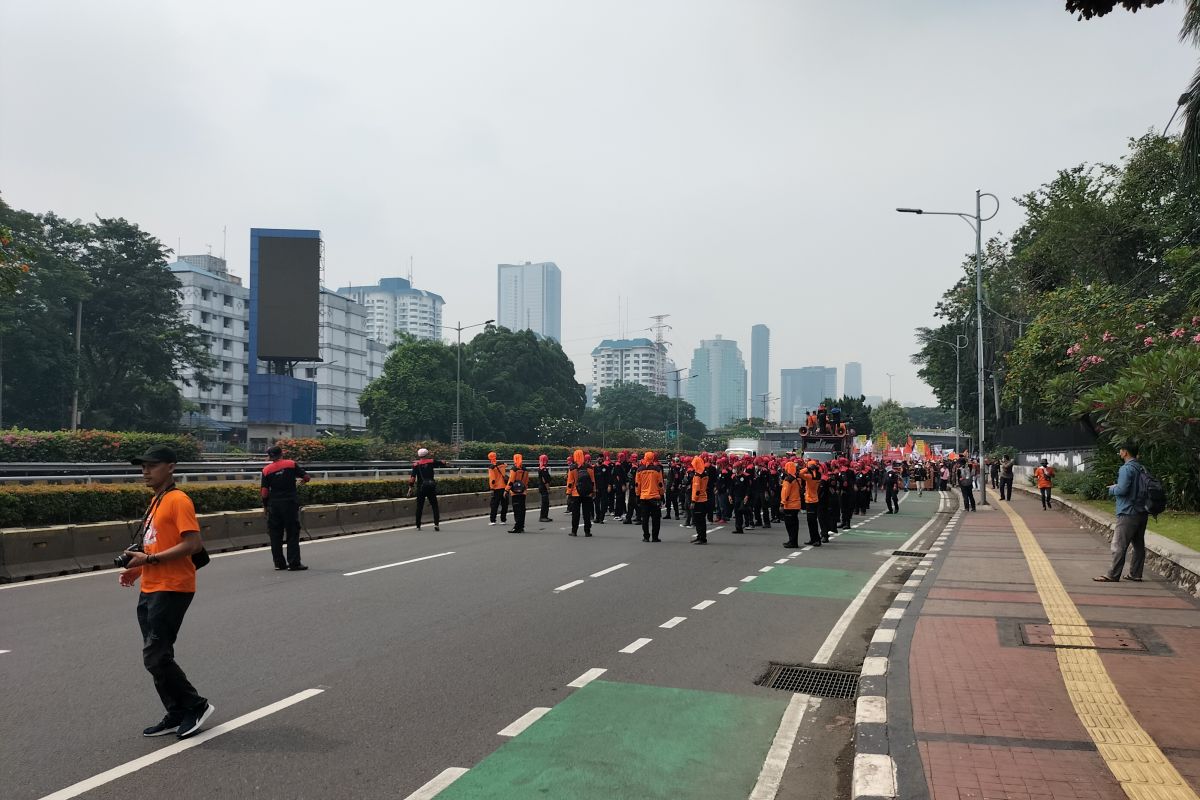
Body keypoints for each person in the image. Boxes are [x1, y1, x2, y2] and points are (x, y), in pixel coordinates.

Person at [120, 445, 215, 740]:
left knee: (155, 656)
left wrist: (148, 560)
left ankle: (196, 706)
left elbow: (193, 544)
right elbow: (156, 545)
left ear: (171, 467)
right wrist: (138, 568)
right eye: (143, 466)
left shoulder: (178, 500)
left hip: (173, 588)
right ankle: (176, 712)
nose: (145, 471)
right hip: (151, 587)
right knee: (157, 655)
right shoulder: (156, 500)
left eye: (152, 465)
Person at [1095, 441, 1149, 583]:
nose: (1119, 452)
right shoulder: (1141, 468)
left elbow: (1123, 490)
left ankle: (1113, 574)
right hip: (1142, 511)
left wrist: (1112, 488)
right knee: (1138, 545)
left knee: (1119, 544)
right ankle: (1135, 574)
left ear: (1125, 452)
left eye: (1121, 450)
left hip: (1127, 512)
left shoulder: (1126, 469)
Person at [261, 444, 311, 571]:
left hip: (274, 505)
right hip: (290, 504)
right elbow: (306, 477)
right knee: (292, 533)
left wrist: (265, 506)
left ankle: (279, 564)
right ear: (281, 454)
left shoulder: (266, 470)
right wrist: (303, 481)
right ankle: (294, 563)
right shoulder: (291, 464)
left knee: (275, 534)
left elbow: (264, 492)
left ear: (270, 457)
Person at [410, 447, 447, 531]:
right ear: (426, 455)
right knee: (434, 505)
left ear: (419, 455)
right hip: (431, 486)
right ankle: (436, 524)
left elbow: (412, 478)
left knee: (419, 506)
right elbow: (442, 463)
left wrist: (410, 487)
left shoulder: (416, 465)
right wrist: (445, 462)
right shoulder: (431, 462)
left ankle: (418, 526)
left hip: (421, 488)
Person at [635, 451, 665, 542]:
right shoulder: (657, 469)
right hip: (655, 497)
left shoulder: (639, 470)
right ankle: (655, 537)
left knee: (645, 519)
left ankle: (646, 537)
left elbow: (637, 484)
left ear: (645, 458)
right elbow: (660, 484)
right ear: (653, 458)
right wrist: (662, 495)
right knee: (656, 519)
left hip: (644, 497)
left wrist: (637, 495)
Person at [566, 449, 595, 537]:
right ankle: (587, 532)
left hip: (576, 493)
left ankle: (574, 531)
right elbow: (593, 481)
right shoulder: (589, 467)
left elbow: (570, 482)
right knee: (586, 513)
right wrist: (593, 491)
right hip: (587, 493)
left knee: (575, 513)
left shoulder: (572, 468)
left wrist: (568, 493)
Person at [799, 460, 823, 546]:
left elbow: (799, 473)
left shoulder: (809, 476)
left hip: (810, 500)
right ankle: (814, 539)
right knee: (812, 521)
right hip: (815, 499)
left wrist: (806, 468)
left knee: (811, 522)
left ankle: (816, 539)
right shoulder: (818, 475)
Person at [780, 460, 802, 549]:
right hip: (796, 504)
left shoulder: (788, 480)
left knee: (789, 525)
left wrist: (782, 503)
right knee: (794, 525)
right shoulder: (797, 479)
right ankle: (793, 541)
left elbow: (785, 492)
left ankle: (792, 542)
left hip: (790, 505)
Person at [689, 455, 711, 545]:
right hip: (704, 498)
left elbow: (697, 490)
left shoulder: (697, 475)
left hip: (699, 501)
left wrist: (693, 501)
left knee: (699, 521)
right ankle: (700, 537)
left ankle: (702, 538)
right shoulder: (704, 473)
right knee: (701, 520)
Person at [506, 453, 529, 533]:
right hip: (523, 492)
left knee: (517, 510)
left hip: (515, 493)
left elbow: (511, 481)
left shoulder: (514, 469)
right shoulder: (525, 469)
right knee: (522, 510)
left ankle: (517, 527)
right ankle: (521, 526)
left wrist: (506, 490)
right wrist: (525, 490)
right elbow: (526, 481)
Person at [487, 451, 509, 526]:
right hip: (505, 487)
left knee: (494, 505)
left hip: (496, 488)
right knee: (504, 504)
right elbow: (506, 465)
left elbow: (492, 479)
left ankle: (493, 520)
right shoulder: (502, 464)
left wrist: (492, 488)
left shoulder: (491, 467)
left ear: (489, 458)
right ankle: (503, 520)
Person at [537, 454, 554, 522]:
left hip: (542, 487)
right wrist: (548, 488)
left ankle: (545, 516)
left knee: (545, 502)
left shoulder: (540, 468)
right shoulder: (543, 469)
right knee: (545, 502)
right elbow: (545, 480)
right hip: (544, 487)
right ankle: (543, 517)